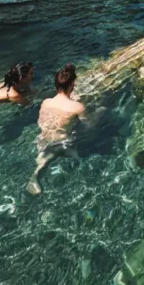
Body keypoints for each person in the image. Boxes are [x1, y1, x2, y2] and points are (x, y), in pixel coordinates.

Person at [27, 64, 86, 195]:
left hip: (43, 138)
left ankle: (35, 175)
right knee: (74, 150)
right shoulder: (77, 107)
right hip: (63, 143)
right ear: (72, 84)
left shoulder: (46, 102)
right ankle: (35, 176)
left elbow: (43, 121)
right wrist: (100, 111)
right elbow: (89, 123)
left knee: (45, 159)